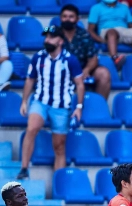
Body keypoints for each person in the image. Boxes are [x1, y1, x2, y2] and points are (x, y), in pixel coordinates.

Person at [18, 25, 84, 179]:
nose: (47, 40)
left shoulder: (70, 60)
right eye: (46, 37)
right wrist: (24, 101)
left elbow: (80, 84)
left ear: (60, 41)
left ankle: (58, 179)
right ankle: (24, 168)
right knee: (31, 128)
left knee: (59, 146)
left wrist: (79, 107)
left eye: (51, 37)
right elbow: (30, 80)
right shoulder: (38, 57)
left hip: (61, 106)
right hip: (40, 101)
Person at [59, 4, 111, 100]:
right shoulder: (54, 32)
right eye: (64, 16)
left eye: (71, 17)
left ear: (77, 19)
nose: (67, 19)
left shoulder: (84, 34)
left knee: (104, 73)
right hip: (60, 69)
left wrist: (86, 70)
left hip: (82, 70)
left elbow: (93, 58)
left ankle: (99, 106)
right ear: (60, 18)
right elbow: (44, 32)